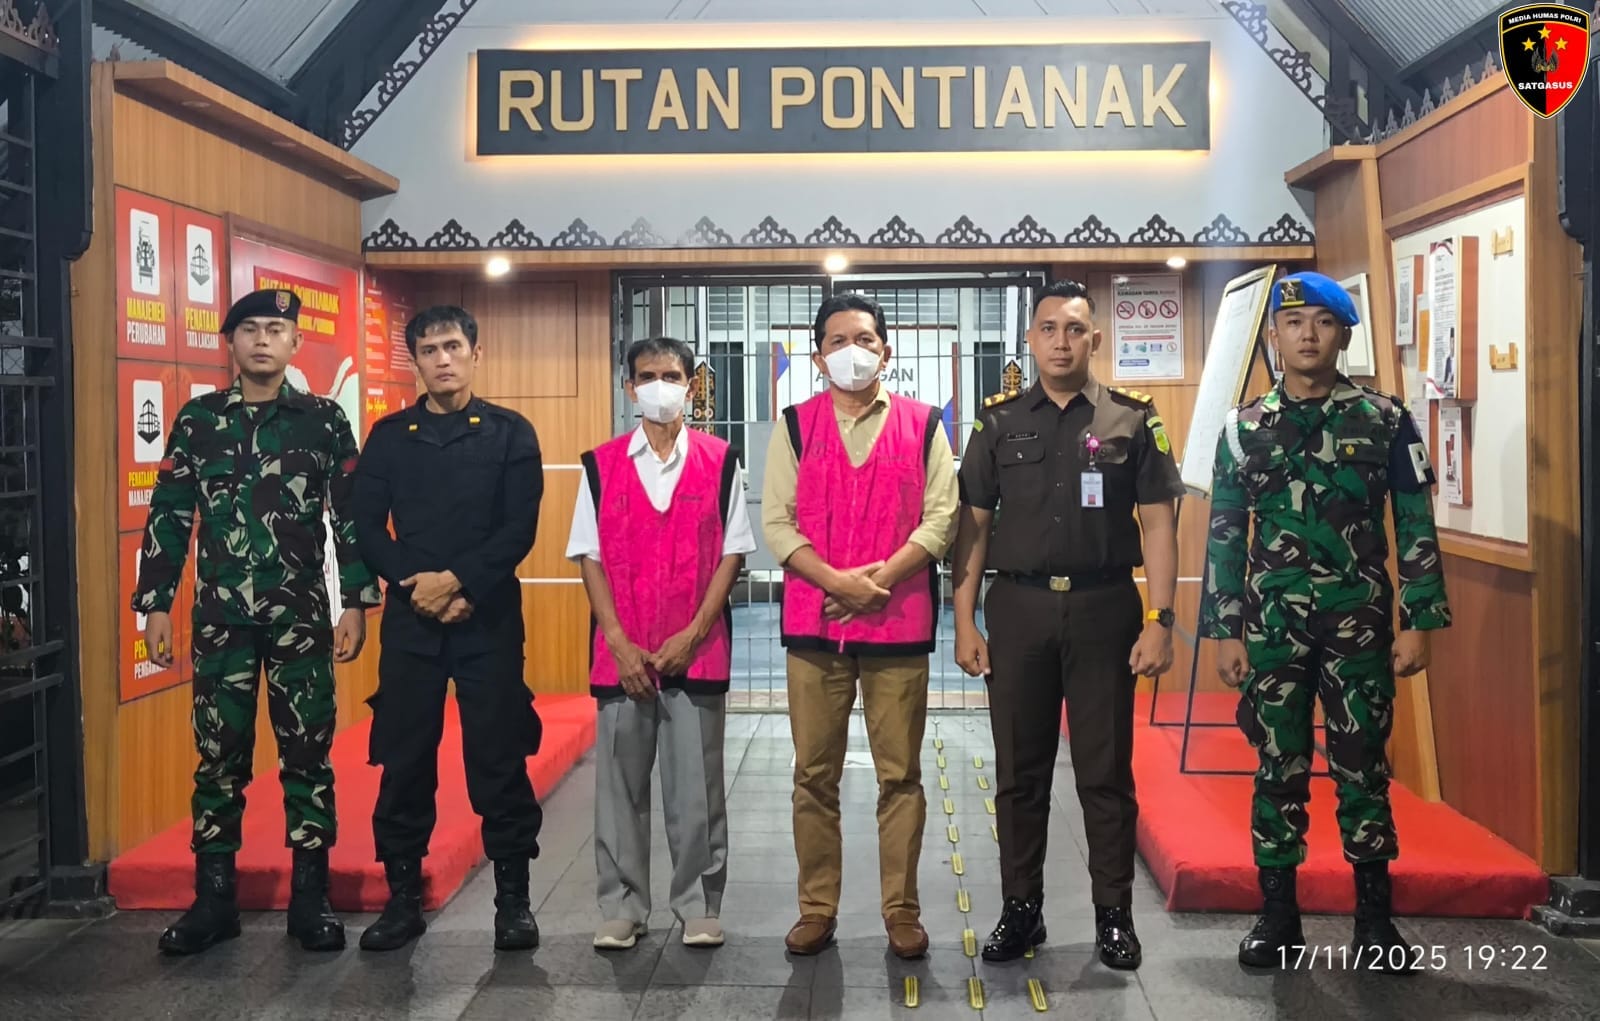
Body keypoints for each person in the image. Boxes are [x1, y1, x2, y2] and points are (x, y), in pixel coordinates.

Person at [1199, 270, 1451, 973]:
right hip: (1273, 628)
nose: (1307, 334)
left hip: (1358, 624)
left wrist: (1420, 620)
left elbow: (1415, 523)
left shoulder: (1385, 420)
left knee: (1362, 766)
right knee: (1277, 764)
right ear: (1274, 337)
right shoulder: (1242, 428)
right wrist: (1223, 630)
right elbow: (1225, 533)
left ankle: (1375, 925)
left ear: (1343, 335)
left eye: (1323, 322)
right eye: (1294, 323)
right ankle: (1279, 918)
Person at [133, 288, 380, 956]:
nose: (263, 339)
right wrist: (155, 604)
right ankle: (215, 899)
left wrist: (356, 601)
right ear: (231, 343)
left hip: (300, 616)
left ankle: (310, 897)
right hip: (221, 620)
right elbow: (170, 514)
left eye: (276, 328)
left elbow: (349, 516)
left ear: (295, 342)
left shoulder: (323, 421)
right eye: (250, 329)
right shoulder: (198, 421)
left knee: (307, 753)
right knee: (218, 756)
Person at [950, 279, 1181, 970]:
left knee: (1104, 772)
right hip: (1018, 610)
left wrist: (1160, 618)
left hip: (1103, 608)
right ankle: (1022, 909)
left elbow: (1160, 524)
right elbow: (973, 527)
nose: (1060, 342)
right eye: (1048, 329)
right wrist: (963, 620)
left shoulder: (1132, 419)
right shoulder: (996, 424)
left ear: (1094, 339)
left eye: (1074, 329)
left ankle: (1114, 915)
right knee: (1019, 774)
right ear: (1031, 339)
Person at [761, 293, 958, 960]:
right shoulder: (794, 425)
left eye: (865, 339)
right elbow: (777, 522)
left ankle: (902, 910)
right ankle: (816, 908)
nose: (853, 351)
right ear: (819, 357)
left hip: (897, 623)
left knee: (899, 775)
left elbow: (941, 518)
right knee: (813, 775)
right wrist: (837, 582)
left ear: (886, 351)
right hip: (816, 626)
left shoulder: (924, 424)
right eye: (838, 341)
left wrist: (878, 582)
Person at [351, 305, 546, 953]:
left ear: (475, 353)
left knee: (498, 755)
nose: (442, 359)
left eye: (453, 346)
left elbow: (518, 529)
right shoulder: (389, 436)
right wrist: (421, 587)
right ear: (415, 361)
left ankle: (513, 902)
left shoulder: (510, 433)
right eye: (429, 349)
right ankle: (402, 899)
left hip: (488, 615)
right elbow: (366, 527)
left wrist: (459, 583)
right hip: (413, 619)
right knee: (404, 756)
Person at [567, 336, 755, 952]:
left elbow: (733, 554)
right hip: (620, 653)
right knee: (619, 789)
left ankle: (699, 905)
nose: (659, 386)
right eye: (646, 376)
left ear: (690, 386)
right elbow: (589, 557)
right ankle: (622, 906)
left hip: (696, 650)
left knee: (696, 789)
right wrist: (619, 642)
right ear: (629, 388)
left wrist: (694, 631)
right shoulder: (599, 465)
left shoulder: (721, 461)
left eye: (671, 375)